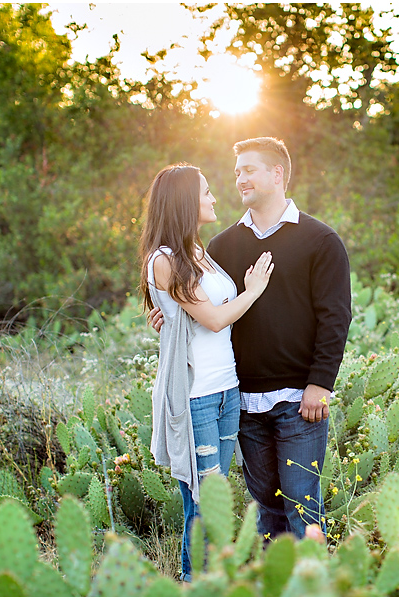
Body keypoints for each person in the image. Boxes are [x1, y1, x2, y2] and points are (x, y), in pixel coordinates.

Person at [150, 138, 352, 541]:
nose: (238, 178)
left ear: (277, 174)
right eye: (237, 170)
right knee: (265, 505)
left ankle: (313, 586)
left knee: (301, 504)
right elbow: (206, 306)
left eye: (249, 169)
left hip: (299, 399)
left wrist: (320, 384)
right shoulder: (221, 246)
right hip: (240, 398)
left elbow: (336, 318)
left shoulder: (320, 240)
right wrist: (171, 319)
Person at [139, 163, 274, 582]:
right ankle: (193, 587)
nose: (215, 198)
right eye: (206, 192)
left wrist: (163, 316)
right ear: (184, 203)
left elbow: (185, 313)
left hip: (226, 391)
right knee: (201, 507)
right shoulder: (163, 260)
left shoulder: (198, 252)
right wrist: (253, 291)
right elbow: (214, 320)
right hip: (195, 396)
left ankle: (212, 584)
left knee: (215, 502)